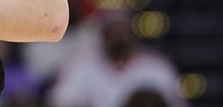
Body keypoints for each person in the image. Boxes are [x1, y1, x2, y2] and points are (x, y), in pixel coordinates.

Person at [48, 9, 186, 107]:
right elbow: (60, 101)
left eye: (122, 30)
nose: (118, 37)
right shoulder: (80, 64)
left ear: (132, 33)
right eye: (113, 31)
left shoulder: (157, 67)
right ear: (103, 34)